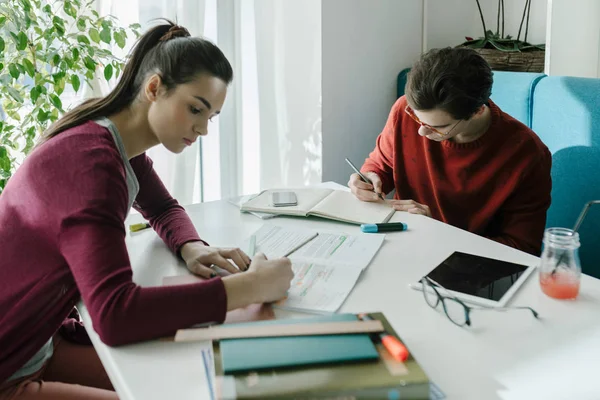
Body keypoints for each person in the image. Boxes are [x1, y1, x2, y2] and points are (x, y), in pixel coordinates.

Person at [0, 20, 294, 399]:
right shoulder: (92, 165)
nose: (203, 129)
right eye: (195, 109)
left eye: (211, 117)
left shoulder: (115, 140)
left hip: (40, 340)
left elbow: (163, 207)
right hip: (10, 366)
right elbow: (115, 314)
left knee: (193, 378)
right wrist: (249, 286)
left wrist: (192, 246)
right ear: (154, 87)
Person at [349, 47, 551, 256]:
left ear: (477, 111)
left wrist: (438, 232)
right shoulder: (404, 110)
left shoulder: (527, 154)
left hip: (462, 266)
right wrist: (368, 178)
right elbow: (381, 165)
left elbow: (522, 247)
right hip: (398, 244)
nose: (421, 130)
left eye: (438, 127)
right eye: (417, 118)